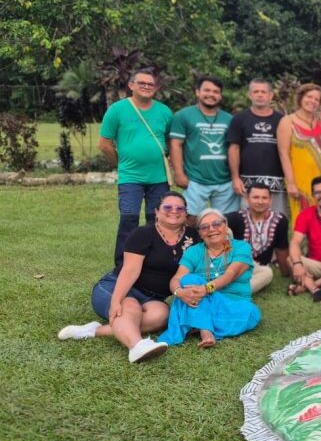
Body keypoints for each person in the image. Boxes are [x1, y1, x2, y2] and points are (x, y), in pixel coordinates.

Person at [59, 192, 200, 363]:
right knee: (130, 305)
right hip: (116, 287)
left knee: (162, 315)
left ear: (186, 213)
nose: (174, 211)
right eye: (167, 207)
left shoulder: (193, 237)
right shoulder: (142, 234)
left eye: (180, 208)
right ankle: (137, 346)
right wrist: (116, 301)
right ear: (156, 211)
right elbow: (130, 270)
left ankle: (93, 331)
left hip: (152, 298)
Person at [99, 68, 174, 264]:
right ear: (131, 85)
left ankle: (153, 260)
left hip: (159, 178)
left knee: (157, 221)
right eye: (142, 83)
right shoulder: (117, 110)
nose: (147, 87)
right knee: (128, 220)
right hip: (130, 177)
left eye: (151, 84)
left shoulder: (164, 112)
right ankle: (122, 264)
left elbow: (171, 141)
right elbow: (104, 143)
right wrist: (121, 163)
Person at [159, 208, 260, 347]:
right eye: (205, 227)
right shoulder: (194, 251)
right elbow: (176, 279)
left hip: (231, 304)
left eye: (217, 224)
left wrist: (207, 288)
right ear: (200, 233)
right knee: (188, 280)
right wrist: (178, 292)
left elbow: (230, 276)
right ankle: (205, 330)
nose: (211, 229)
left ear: (226, 225)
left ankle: (194, 322)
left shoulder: (241, 247)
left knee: (250, 314)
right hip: (201, 300)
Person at [170, 76, 237, 224]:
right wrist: (179, 173)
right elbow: (176, 144)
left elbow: (234, 148)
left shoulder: (229, 119)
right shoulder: (183, 116)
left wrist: (236, 177)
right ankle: (193, 247)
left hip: (225, 180)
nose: (211, 94)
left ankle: (224, 248)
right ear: (197, 92)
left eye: (216, 91)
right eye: (207, 90)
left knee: (226, 222)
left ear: (220, 95)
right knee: (191, 220)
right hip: (195, 179)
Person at [227, 78, 287, 216]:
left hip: (276, 182)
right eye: (256, 91)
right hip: (248, 183)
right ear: (250, 95)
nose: (260, 95)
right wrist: (235, 178)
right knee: (248, 222)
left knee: (277, 220)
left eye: (263, 92)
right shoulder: (239, 119)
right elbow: (234, 149)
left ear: (271, 95)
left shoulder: (282, 120)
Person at [277, 83, 321, 226]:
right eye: (309, 97)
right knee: (304, 221)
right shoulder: (287, 121)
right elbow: (284, 154)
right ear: (301, 98)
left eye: (316, 99)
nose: (312, 101)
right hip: (301, 181)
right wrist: (290, 183)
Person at [226, 184, 290, 294]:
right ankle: (223, 286)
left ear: (270, 200)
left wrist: (286, 272)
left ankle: (235, 292)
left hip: (256, 269)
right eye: (255, 197)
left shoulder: (280, 220)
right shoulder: (234, 218)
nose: (260, 202)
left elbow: (281, 249)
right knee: (225, 231)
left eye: (264, 198)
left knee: (267, 273)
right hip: (232, 263)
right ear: (247, 199)